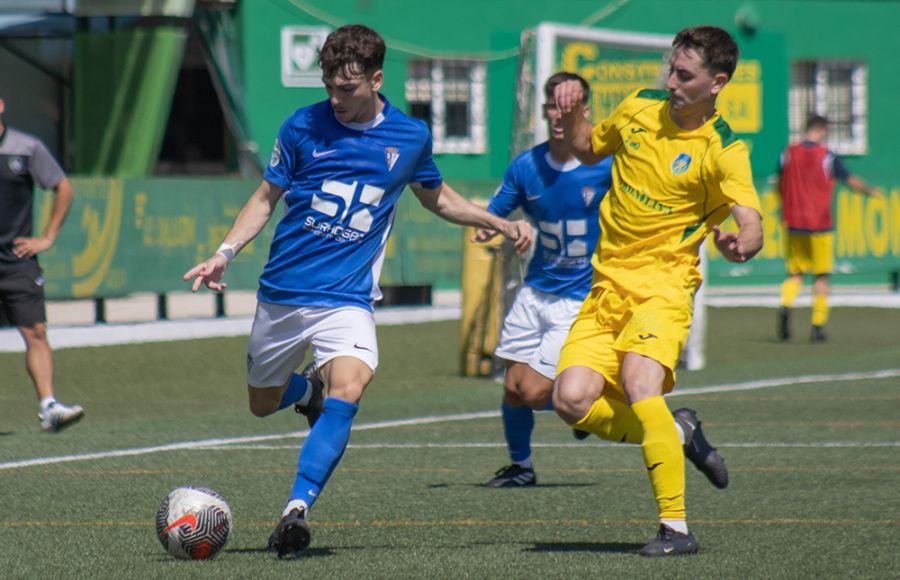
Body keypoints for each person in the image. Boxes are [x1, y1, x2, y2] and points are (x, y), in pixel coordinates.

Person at [183, 24, 532, 558]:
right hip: (282, 292)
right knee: (261, 404)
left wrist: (496, 221)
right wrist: (223, 252)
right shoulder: (301, 126)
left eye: (347, 89)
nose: (335, 99)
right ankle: (306, 393)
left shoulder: (410, 136)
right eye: (328, 86)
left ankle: (294, 512)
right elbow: (264, 198)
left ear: (376, 78)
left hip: (346, 298)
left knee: (349, 388)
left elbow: (437, 198)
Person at [552, 25, 763, 556]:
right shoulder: (639, 107)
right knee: (571, 400)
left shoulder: (723, 148)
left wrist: (744, 243)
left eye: (684, 75)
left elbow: (751, 219)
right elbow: (586, 146)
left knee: (641, 383)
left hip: (665, 286)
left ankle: (676, 528)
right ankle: (679, 431)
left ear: (716, 83)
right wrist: (574, 110)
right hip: (606, 286)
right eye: (671, 68)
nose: (671, 81)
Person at [475, 72, 612, 488]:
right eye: (553, 106)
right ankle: (522, 466)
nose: (559, 114)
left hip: (581, 298)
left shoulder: (607, 166)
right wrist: (505, 227)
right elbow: (492, 218)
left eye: (568, 106)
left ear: (585, 112)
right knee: (513, 388)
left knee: (535, 392)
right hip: (535, 292)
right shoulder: (526, 166)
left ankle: (592, 401)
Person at [0, 93, 84, 433]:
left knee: (36, 332)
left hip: (17, 261)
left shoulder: (26, 147)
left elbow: (63, 187)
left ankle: (49, 406)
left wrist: (46, 238)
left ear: (2, 105)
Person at [776, 114, 879, 342]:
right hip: (820, 224)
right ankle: (817, 326)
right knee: (821, 277)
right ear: (822, 130)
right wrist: (870, 191)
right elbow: (848, 179)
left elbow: (779, 181)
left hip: (793, 222)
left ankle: (785, 305)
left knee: (795, 273)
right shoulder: (827, 156)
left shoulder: (787, 153)